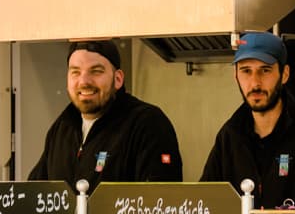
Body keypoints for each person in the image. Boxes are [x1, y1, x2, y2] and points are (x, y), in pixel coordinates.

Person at [200, 31, 295, 209]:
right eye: (246, 71)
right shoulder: (229, 136)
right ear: (236, 75)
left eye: (265, 70)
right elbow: (206, 209)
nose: (255, 83)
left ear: (285, 74)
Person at [28, 38, 182, 191]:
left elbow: (160, 202)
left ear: (118, 79)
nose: (84, 81)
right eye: (75, 72)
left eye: (96, 71)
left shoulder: (147, 124)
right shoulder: (61, 128)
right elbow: (34, 195)